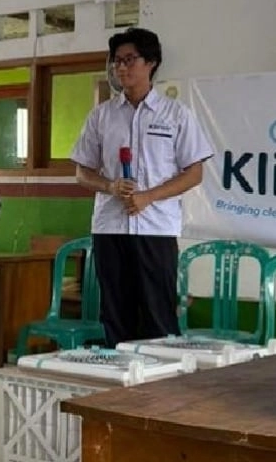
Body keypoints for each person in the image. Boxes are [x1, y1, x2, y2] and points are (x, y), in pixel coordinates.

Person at [70, 27, 213, 346]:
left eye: (129, 60)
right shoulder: (101, 116)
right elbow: (82, 172)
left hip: (156, 229)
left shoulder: (176, 115)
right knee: (116, 314)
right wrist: (110, 185)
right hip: (110, 228)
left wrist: (149, 196)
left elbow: (194, 174)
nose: (121, 68)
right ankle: (119, 391)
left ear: (151, 62)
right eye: (116, 61)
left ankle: (158, 394)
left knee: (157, 316)